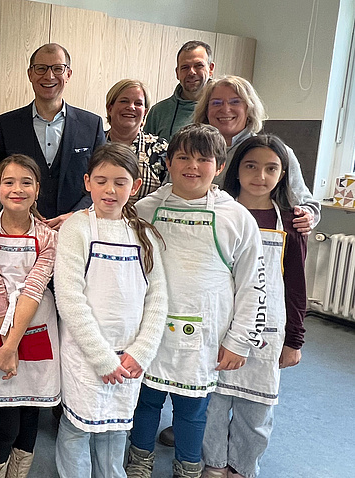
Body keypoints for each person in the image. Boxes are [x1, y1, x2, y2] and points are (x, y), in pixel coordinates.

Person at [127, 124, 266, 478]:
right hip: (149, 328)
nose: (193, 165)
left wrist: (239, 340)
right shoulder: (145, 209)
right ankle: (139, 459)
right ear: (169, 163)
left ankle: (188, 466)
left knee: (193, 409)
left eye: (204, 159)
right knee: (145, 403)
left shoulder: (236, 217)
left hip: (204, 333)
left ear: (219, 166)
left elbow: (253, 284)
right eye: (183, 157)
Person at [53, 144, 167, 478]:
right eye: (101, 180)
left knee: (116, 430)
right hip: (86, 353)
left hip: (130, 357)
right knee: (78, 428)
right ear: (87, 182)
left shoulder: (142, 233)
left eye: (120, 182)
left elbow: (158, 297)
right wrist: (102, 357)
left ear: (134, 187)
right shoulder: (78, 228)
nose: (110, 189)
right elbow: (70, 297)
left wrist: (142, 351)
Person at [202, 135, 307, 478]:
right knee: (212, 406)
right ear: (236, 170)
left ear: (283, 174)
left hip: (268, 330)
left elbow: (295, 285)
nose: (260, 175)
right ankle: (214, 466)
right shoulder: (218, 212)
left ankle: (242, 469)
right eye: (251, 166)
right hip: (217, 327)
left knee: (256, 411)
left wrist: (295, 339)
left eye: (271, 168)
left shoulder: (291, 222)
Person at [0, 154, 61, 478]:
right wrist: (7, 343)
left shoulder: (48, 237)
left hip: (36, 326)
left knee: (30, 418)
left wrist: (10, 344)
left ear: (37, 190)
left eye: (26, 182)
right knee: (5, 423)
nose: (17, 189)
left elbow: (34, 288)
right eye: (9, 182)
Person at [0, 43, 106, 229]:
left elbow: (102, 179)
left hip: (78, 227)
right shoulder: (7, 124)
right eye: (41, 68)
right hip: (20, 230)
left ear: (68, 74)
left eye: (57, 68)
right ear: (30, 74)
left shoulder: (92, 125)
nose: (49, 76)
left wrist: (77, 215)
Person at [193, 75, 320, 234]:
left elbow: (308, 205)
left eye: (235, 102)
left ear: (249, 108)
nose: (225, 109)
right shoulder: (191, 151)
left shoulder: (277, 153)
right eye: (216, 103)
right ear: (206, 110)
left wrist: (307, 217)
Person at [104, 79, 169, 203]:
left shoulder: (161, 149)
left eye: (138, 103)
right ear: (110, 108)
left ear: (145, 112)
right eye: (124, 101)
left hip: (143, 221)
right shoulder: (94, 142)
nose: (131, 107)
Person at [144, 40, 215, 141]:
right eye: (185, 67)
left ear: (211, 68)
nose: (192, 72)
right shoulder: (158, 112)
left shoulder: (220, 109)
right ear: (177, 73)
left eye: (198, 65)